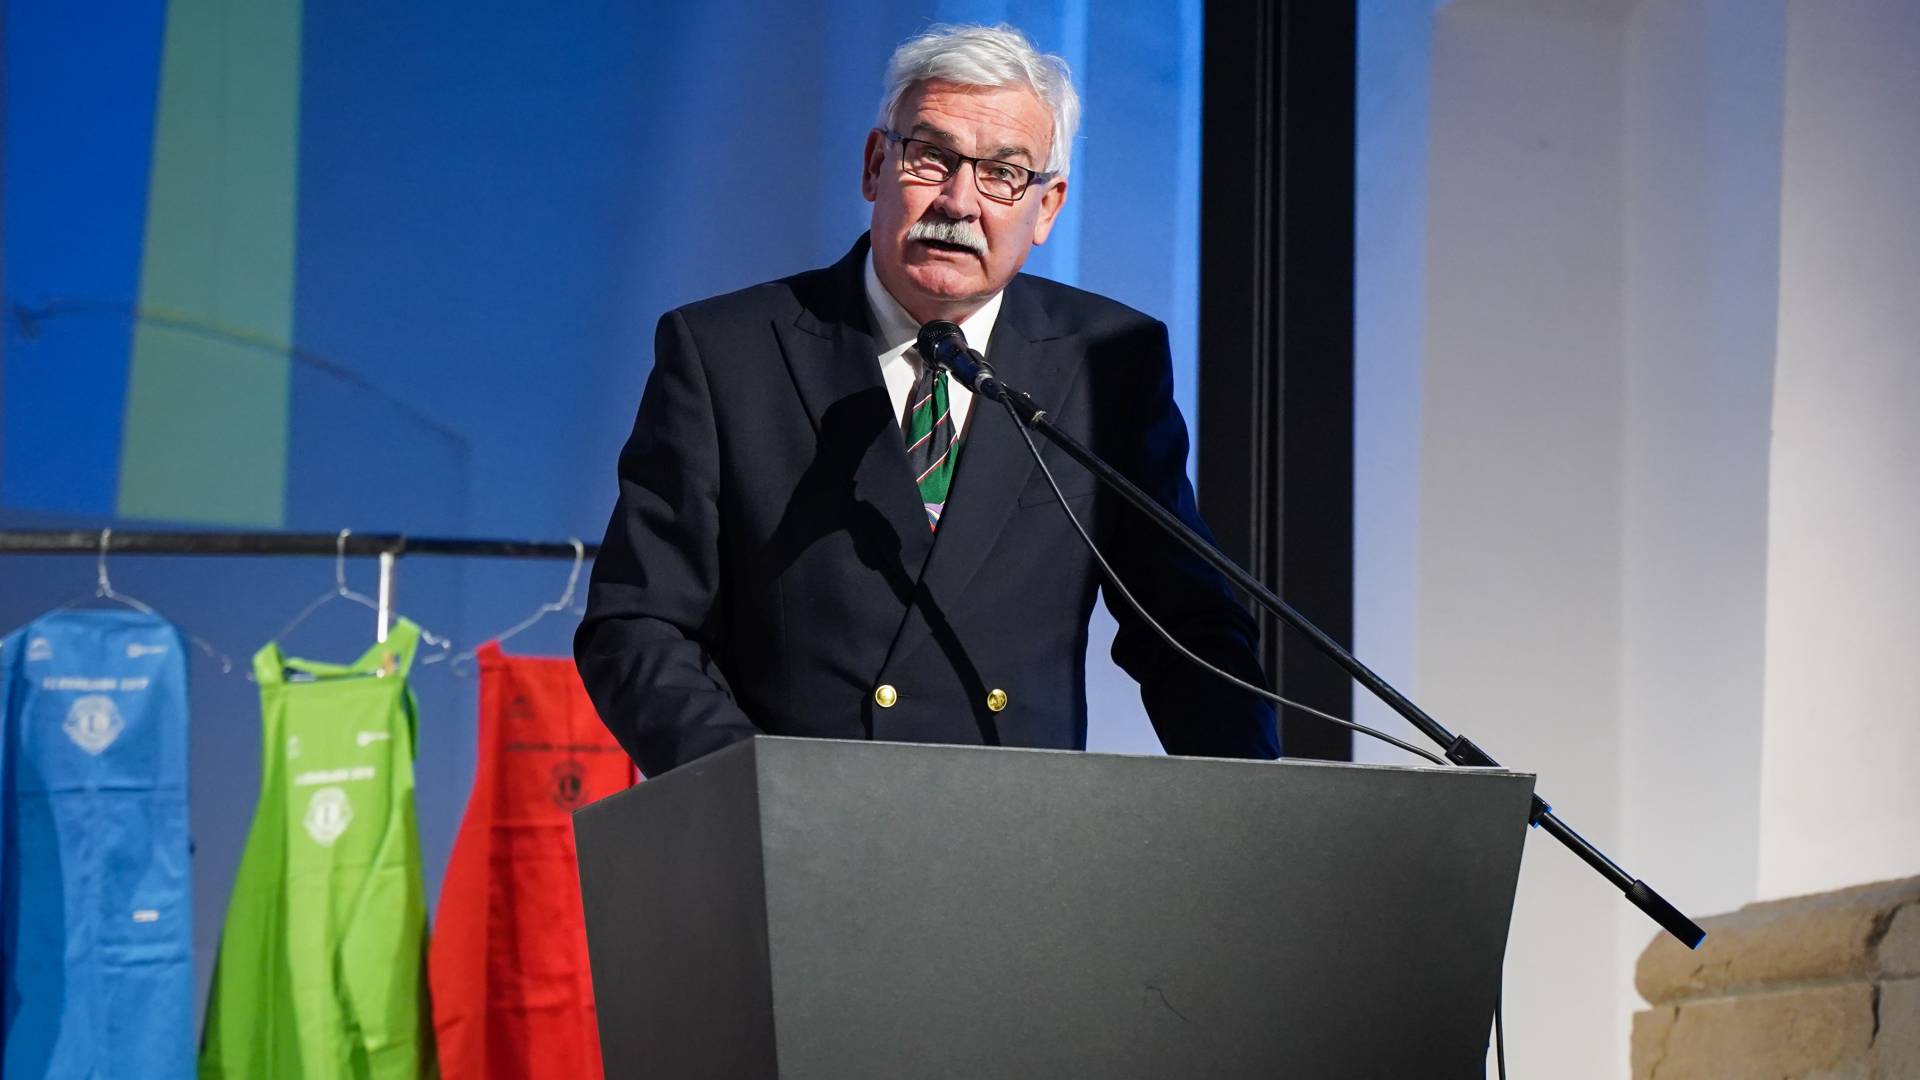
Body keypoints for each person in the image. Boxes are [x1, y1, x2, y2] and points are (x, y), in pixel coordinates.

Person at [576, 23, 1277, 777]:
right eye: (931, 156)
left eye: (1004, 173)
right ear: (876, 166)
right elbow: (639, 624)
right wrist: (757, 796)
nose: (959, 200)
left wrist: (1257, 811)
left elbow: (1188, 628)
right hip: (801, 825)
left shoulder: (1107, 361)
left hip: (1016, 829)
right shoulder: (726, 353)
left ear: (1047, 208)